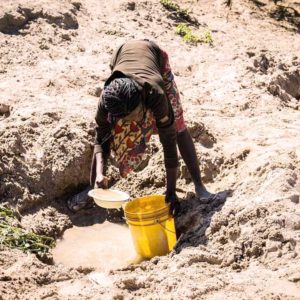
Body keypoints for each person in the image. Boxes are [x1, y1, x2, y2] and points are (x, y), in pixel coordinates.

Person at [68, 39, 223, 213]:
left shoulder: (155, 93)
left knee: (178, 127)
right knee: (114, 131)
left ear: (142, 101)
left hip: (153, 54)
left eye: (134, 115)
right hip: (121, 55)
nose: (132, 122)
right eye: (125, 118)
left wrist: (171, 192)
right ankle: (92, 190)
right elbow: (101, 139)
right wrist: (98, 174)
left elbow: (169, 142)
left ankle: (200, 186)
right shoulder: (108, 100)